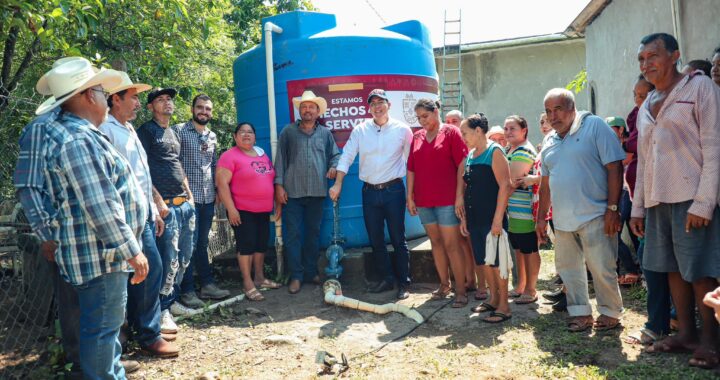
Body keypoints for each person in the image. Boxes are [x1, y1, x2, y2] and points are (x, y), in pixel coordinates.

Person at [31, 58, 148, 379]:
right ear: (85, 96)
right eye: (100, 90)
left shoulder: (79, 135)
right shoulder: (79, 140)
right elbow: (101, 205)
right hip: (103, 258)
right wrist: (132, 251)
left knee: (102, 336)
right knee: (101, 336)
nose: (105, 98)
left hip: (100, 256)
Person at [630, 33, 720, 369]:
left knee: (699, 272)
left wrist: (704, 202)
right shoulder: (648, 102)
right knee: (671, 269)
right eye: (641, 59)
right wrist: (638, 206)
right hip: (658, 201)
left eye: (653, 56)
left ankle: (711, 342)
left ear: (675, 56)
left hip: (691, 198)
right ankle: (686, 333)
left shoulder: (700, 89)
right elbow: (643, 160)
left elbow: (714, 149)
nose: (646, 64)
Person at [100, 73, 179, 358]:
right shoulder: (104, 129)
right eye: (132, 97)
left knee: (148, 270)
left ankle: (142, 331)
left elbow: (140, 176)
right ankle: (140, 335)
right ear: (115, 99)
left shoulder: (129, 129)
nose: (136, 102)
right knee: (141, 271)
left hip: (143, 214)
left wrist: (154, 207)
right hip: (122, 218)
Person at [537, 88, 625, 333]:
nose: (553, 116)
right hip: (562, 220)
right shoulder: (549, 140)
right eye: (548, 111)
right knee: (569, 270)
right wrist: (541, 218)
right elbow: (545, 183)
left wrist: (613, 208)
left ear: (572, 108)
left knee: (602, 267)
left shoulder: (594, 126)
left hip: (596, 214)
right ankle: (581, 313)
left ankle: (610, 313)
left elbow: (615, 167)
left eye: (558, 109)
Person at [328, 89, 413, 300]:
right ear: (369, 108)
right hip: (369, 192)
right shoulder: (360, 130)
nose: (377, 106)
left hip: (394, 190)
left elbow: (412, 163)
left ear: (388, 105)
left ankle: (404, 282)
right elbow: (346, 156)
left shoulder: (403, 130)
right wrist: (338, 184)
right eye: (373, 103)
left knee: (397, 238)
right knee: (376, 239)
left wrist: (412, 194)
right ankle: (386, 279)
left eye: (381, 102)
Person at [137, 88, 196, 330]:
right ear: (150, 107)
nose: (167, 103)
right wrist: (158, 202)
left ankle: (172, 301)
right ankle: (161, 310)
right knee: (167, 258)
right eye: (160, 100)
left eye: (169, 99)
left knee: (184, 257)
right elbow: (141, 168)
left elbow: (177, 164)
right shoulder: (145, 131)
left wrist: (190, 195)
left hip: (185, 205)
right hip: (166, 208)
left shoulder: (173, 132)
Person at [275, 90, 340, 294]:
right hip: (292, 193)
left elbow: (335, 156)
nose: (307, 110)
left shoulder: (325, 134)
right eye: (304, 107)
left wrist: (333, 166)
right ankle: (296, 276)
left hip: (317, 192)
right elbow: (280, 161)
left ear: (318, 111)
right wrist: (279, 186)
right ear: (299, 110)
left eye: (311, 106)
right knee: (292, 235)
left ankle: (311, 272)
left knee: (313, 234)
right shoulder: (288, 132)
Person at [407, 99, 468, 307]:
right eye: (419, 118)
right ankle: (444, 285)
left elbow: (462, 164)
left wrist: (459, 195)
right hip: (424, 200)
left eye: (425, 116)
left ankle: (461, 290)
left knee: (452, 245)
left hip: (447, 200)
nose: (422, 121)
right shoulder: (416, 137)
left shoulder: (451, 132)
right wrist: (410, 196)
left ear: (436, 112)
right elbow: (411, 168)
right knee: (436, 243)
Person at [175, 94, 231, 307]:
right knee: (187, 244)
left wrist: (217, 190)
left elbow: (214, 165)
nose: (204, 112)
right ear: (192, 109)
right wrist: (184, 192)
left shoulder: (212, 136)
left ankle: (207, 285)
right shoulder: (179, 131)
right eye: (200, 108)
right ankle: (187, 290)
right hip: (187, 199)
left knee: (202, 242)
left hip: (208, 198)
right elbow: (174, 163)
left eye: (208, 109)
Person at [216, 122, 281, 301]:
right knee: (246, 246)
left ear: (254, 136)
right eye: (242, 132)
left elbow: (269, 178)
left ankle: (259, 278)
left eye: (250, 132)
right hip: (242, 210)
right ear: (235, 137)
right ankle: (247, 283)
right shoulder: (229, 156)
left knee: (260, 244)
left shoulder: (261, 153)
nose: (246, 135)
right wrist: (231, 209)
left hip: (263, 210)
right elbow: (222, 184)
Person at [459, 113, 513, 323]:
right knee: (485, 261)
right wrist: (465, 219)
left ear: (478, 131)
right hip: (475, 218)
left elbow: (505, 186)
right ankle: (493, 298)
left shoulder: (495, 151)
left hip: (492, 218)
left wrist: (498, 219)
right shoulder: (471, 155)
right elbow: (468, 188)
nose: (463, 136)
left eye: (465, 133)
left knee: (498, 262)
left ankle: (504, 306)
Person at [446, 109, 487, 299]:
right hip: (466, 205)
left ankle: (485, 286)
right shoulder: (469, 152)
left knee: (482, 249)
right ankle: (471, 280)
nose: (450, 124)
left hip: (484, 209)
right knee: (467, 244)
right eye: (447, 121)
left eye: (454, 120)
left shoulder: (490, 151)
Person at [503, 115, 540, 305]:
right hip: (513, 210)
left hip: (524, 210)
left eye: (512, 128)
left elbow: (511, 181)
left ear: (524, 130)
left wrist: (499, 203)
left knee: (529, 249)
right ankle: (521, 285)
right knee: (518, 249)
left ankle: (531, 289)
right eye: (506, 128)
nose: (508, 132)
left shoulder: (524, 151)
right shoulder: (511, 149)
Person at [605, 116, 641, 286]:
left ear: (620, 129)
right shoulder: (615, 145)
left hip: (628, 192)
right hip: (621, 192)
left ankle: (632, 270)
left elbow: (620, 163)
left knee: (617, 230)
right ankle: (628, 270)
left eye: (611, 128)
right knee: (629, 231)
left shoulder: (627, 145)